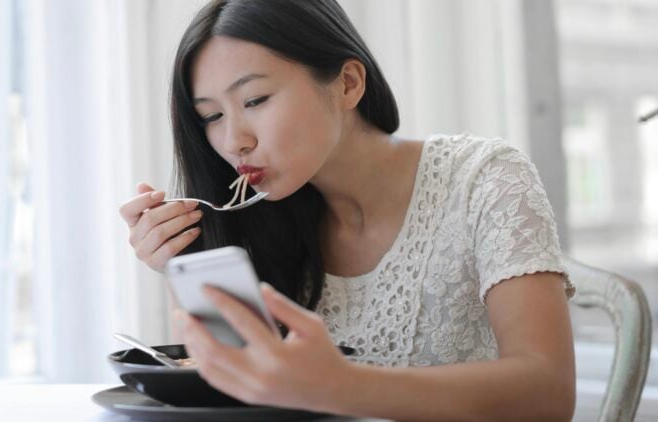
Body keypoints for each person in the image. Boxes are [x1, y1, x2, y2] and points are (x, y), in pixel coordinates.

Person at [118, 0, 576, 420]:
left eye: (255, 100)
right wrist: (187, 269)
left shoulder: (484, 178)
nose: (234, 140)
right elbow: (241, 394)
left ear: (348, 83)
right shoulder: (259, 222)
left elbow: (548, 394)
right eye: (212, 117)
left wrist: (340, 386)